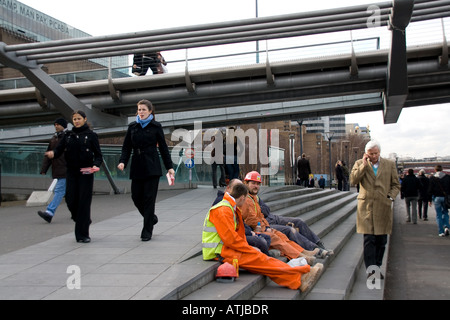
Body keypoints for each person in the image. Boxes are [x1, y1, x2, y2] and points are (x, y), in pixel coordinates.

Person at [202, 180, 324, 291]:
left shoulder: (228, 207)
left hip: (223, 249)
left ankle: (300, 275)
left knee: (262, 259)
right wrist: (249, 248)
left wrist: (248, 248)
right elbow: (231, 239)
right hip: (219, 251)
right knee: (261, 260)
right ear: (242, 197)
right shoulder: (224, 209)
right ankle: (299, 276)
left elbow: (234, 237)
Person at [118, 99, 175, 241]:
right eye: (139, 109)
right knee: (136, 197)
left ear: (150, 111)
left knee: (149, 199)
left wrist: (169, 167)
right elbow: (126, 147)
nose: (141, 112)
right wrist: (122, 161)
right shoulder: (132, 127)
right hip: (137, 166)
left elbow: (163, 148)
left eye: (143, 109)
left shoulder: (156, 127)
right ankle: (151, 218)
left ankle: (147, 230)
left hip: (152, 166)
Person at [45, 111, 103, 243]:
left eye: (79, 119)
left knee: (84, 202)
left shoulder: (91, 135)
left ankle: (83, 234)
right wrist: (53, 153)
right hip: (71, 172)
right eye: (74, 119)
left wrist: (96, 165)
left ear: (84, 119)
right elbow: (59, 150)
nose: (76, 121)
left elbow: (99, 155)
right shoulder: (68, 135)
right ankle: (84, 220)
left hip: (86, 172)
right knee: (71, 200)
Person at [244, 171, 332, 257]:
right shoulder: (245, 198)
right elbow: (253, 218)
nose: (256, 186)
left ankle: (319, 245)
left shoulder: (255, 197)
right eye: (253, 183)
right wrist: (266, 226)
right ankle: (313, 250)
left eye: (258, 184)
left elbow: (266, 210)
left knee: (298, 221)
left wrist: (265, 221)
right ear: (246, 183)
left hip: (269, 219)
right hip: (262, 224)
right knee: (289, 230)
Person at [349, 140, 400, 277]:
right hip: (366, 207)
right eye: (371, 154)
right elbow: (353, 181)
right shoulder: (360, 164)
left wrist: (390, 197)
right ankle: (372, 271)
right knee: (369, 240)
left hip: (383, 206)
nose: (374, 156)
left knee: (381, 240)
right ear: (366, 153)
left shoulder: (389, 164)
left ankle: (377, 265)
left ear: (379, 152)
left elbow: (396, 184)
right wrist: (364, 166)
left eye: (376, 153)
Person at [212, 179, 272, 256]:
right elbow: (230, 237)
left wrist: (250, 232)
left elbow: (240, 224)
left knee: (266, 238)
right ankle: (266, 259)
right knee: (261, 241)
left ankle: (266, 258)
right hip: (221, 249)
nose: (238, 191)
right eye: (237, 188)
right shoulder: (224, 206)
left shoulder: (233, 204)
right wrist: (249, 248)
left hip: (231, 240)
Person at [37, 118, 68, 223]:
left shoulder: (66, 137)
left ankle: (49, 213)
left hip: (65, 168)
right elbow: (48, 155)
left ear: (64, 125)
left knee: (59, 191)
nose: (56, 126)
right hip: (59, 169)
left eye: (58, 124)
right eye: (55, 124)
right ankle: (77, 211)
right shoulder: (54, 138)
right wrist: (44, 169)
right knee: (68, 193)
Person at [427, 165, 450, 237]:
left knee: (438, 215)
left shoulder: (432, 178)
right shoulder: (447, 177)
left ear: (435, 170)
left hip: (436, 198)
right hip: (445, 198)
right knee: (445, 212)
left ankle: (441, 232)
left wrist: (429, 200)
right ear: (442, 169)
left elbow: (430, 190)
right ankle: (446, 227)